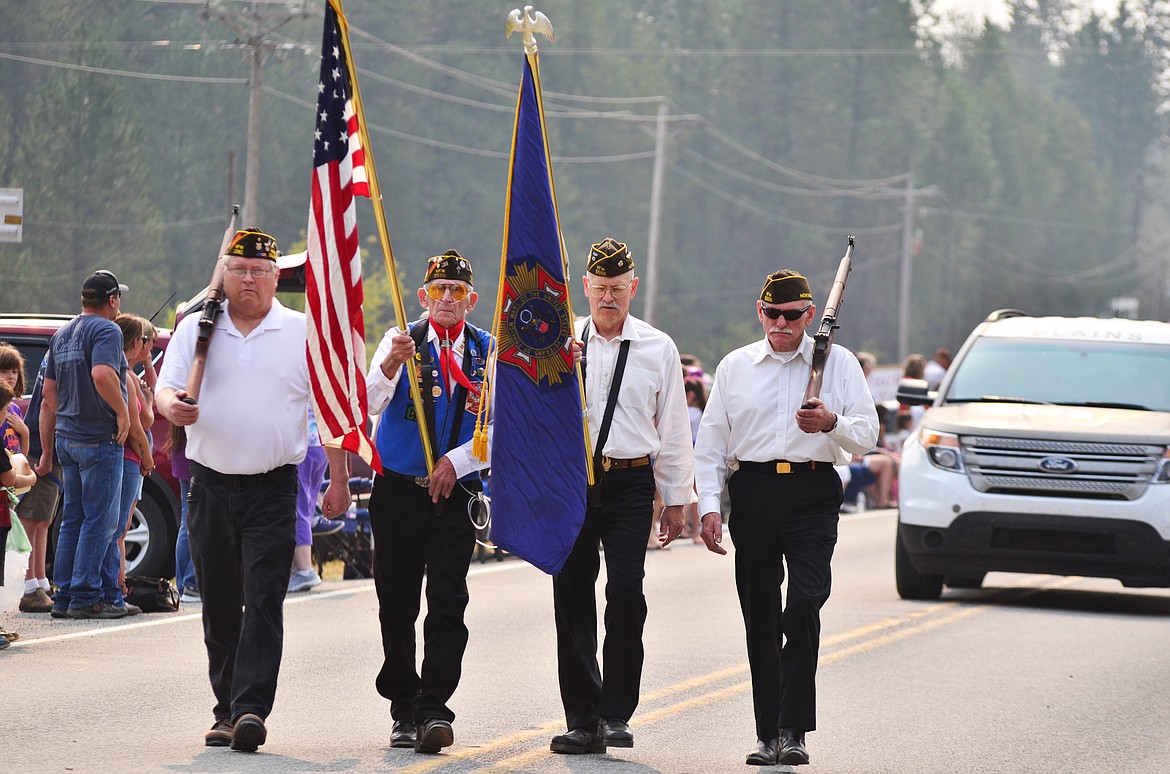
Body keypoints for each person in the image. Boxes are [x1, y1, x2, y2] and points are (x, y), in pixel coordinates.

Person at [156, 228, 350, 753]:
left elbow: (328, 408)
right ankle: (225, 706)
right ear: (225, 273)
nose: (248, 280)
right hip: (209, 486)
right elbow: (164, 388)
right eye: (238, 270)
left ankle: (249, 709)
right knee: (219, 600)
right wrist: (173, 407)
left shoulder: (300, 332)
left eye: (259, 271)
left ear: (274, 277)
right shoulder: (196, 327)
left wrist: (337, 477)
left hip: (272, 488)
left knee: (264, 599)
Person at [693, 268, 877, 767]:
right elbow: (710, 445)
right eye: (771, 314)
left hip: (812, 490)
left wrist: (830, 422)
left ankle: (794, 726)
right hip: (752, 491)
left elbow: (868, 434)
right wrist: (709, 506)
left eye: (791, 315)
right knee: (760, 616)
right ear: (759, 312)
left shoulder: (837, 364)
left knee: (802, 605)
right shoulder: (735, 366)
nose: (780, 324)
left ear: (810, 315)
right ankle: (768, 731)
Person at [549, 238, 693, 755]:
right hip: (573, 481)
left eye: (618, 289)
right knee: (571, 595)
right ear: (584, 288)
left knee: (627, 591)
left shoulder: (658, 347)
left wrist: (676, 500)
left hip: (631, 483)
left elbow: (673, 428)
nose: (608, 298)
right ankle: (582, 717)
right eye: (600, 289)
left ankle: (616, 712)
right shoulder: (561, 342)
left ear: (633, 288)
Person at [364, 249, 493, 755]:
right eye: (438, 290)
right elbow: (369, 403)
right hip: (398, 488)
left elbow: (500, 427)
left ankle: (435, 706)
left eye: (456, 292)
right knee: (395, 601)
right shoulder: (399, 342)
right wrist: (392, 365)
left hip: (456, 492)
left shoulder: (487, 351)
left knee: (448, 601)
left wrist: (456, 463)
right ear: (422, 295)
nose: (446, 299)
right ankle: (402, 704)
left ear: (470, 299)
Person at [35, 269, 136, 620]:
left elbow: (48, 398)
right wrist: (123, 413)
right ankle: (86, 595)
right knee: (101, 521)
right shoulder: (107, 330)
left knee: (73, 518)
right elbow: (102, 374)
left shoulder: (61, 335)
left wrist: (47, 450)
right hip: (98, 439)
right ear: (112, 300)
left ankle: (63, 595)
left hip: (66, 438)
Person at [112, 314, 154, 600]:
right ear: (136, 342)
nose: (146, 349)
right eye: (144, 342)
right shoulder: (126, 377)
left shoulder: (125, 374)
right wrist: (147, 457)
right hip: (130, 458)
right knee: (120, 526)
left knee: (121, 525)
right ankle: (116, 585)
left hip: (129, 459)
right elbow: (144, 422)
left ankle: (118, 581)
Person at [15, 353, 60, 613]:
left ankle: (39, 579)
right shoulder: (72, 349)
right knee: (31, 517)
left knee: (43, 518)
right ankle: (28, 586)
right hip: (43, 440)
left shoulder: (60, 346)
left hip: (46, 441)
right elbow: (46, 403)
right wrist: (46, 450)